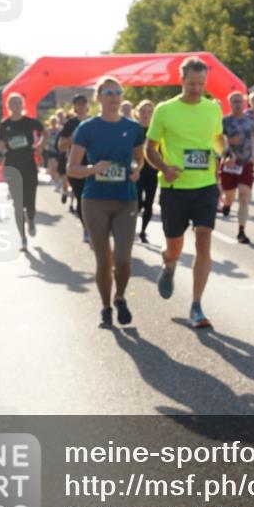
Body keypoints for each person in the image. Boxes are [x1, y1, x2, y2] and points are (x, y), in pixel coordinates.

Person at [145, 56, 226, 329]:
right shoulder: (165, 110)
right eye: (191, 83)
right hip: (174, 188)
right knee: (174, 246)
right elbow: (149, 149)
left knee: (204, 238)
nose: (196, 89)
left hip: (204, 186)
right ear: (181, 81)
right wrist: (165, 167)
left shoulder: (212, 109)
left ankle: (196, 305)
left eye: (201, 84)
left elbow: (216, 139)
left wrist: (221, 148)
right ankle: (168, 264)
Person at [66, 76, 144, 328]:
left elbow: (139, 160)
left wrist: (136, 168)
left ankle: (120, 296)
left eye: (118, 92)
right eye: (108, 92)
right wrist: (93, 168)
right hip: (95, 201)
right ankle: (105, 307)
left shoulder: (133, 128)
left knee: (123, 258)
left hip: (126, 200)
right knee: (104, 259)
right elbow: (72, 168)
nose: (113, 97)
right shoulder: (86, 128)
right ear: (98, 97)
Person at [0, 92, 45, 250]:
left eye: (18, 103)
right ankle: (22, 238)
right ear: (8, 107)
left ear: (22, 106)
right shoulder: (4, 124)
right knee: (17, 204)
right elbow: (0, 142)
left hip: (29, 165)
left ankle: (31, 219)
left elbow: (44, 132)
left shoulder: (30, 122)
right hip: (12, 167)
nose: (15, 105)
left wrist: (39, 145)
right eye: (12, 103)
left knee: (30, 201)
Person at [220, 91, 254, 244]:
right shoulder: (225, 121)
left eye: (240, 101)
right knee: (230, 195)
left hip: (246, 163)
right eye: (234, 101)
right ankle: (227, 204)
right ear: (230, 104)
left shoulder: (250, 120)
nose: (237, 104)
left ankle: (241, 231)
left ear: (244, 103)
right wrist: (228, 143)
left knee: (243, 195)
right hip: (230, 163)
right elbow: (218, 142)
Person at [58, 94, 92, 241]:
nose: (81, 106)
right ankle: (86, 229)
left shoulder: (94, 122)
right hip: (76, 166)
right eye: (78, 104)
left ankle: (96, 227)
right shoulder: (70, 124)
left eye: (83, 103)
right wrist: (73, 138)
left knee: (94, 200)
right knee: (81, 198)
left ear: (87, 105)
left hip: (93, 165)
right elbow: (60, 146)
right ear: (74, 107)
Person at [134, 100, 157, 244]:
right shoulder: (133, 129)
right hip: (137, 171)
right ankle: (131, 228)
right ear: (137, 113)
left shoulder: (156, 131)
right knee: (137, 203)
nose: (146, 115)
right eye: (143, 111)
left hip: (152, 171)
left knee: (149, 203)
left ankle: (143, 231)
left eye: (149, 112)